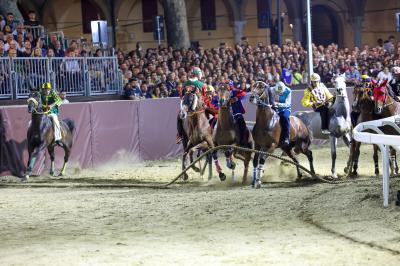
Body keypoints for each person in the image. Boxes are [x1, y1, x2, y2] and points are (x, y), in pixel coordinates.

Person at [228, 80, 248, 146]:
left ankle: (243, 140)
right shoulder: (225, 93)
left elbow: (243, 95)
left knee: (241, 123)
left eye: (230, 85)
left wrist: (236, 98)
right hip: (230, 113)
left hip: (239, 112)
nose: (229, 86)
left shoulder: (237, 92)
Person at [272, 81, 291, 147]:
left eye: (281, 93)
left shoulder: (288, 91)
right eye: (278, 92)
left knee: (285, 117)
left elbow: (288, 104)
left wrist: (278, 104)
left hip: (284, 109)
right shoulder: (271, 89)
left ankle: (286, 138)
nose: (279, 94)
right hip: (273, 108)